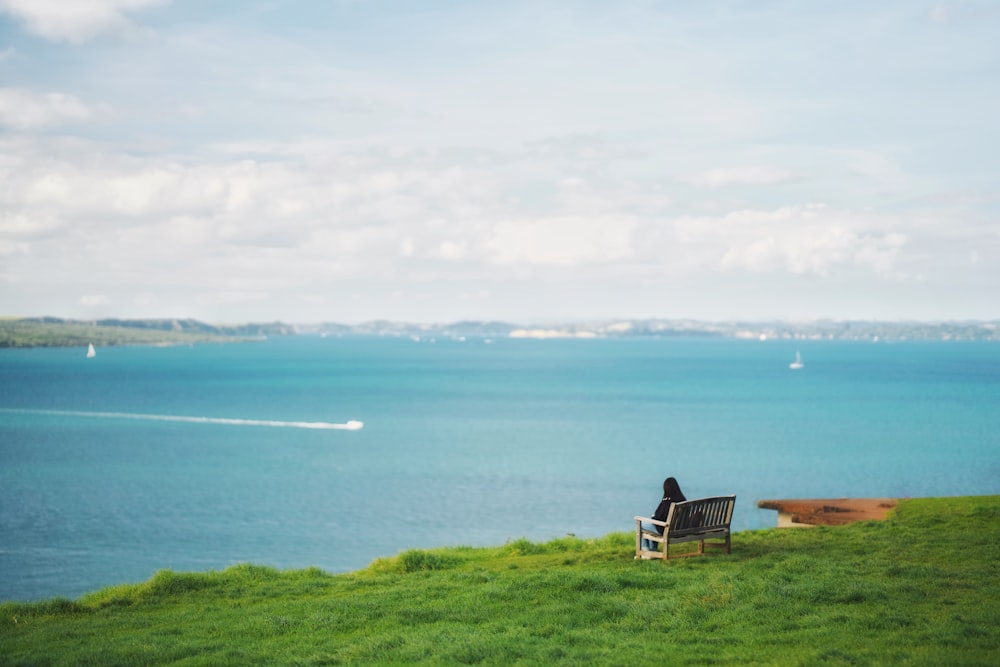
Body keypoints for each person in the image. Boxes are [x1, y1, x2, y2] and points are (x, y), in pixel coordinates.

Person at [642, 477, 686, 552]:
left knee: (641, 524)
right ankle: (652, 549)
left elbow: (658, 516)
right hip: (679, 530)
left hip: (665, 530)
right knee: (652, 525)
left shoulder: (667, 502)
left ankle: (646, 549)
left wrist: (654, 517)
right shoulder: (683, 501)